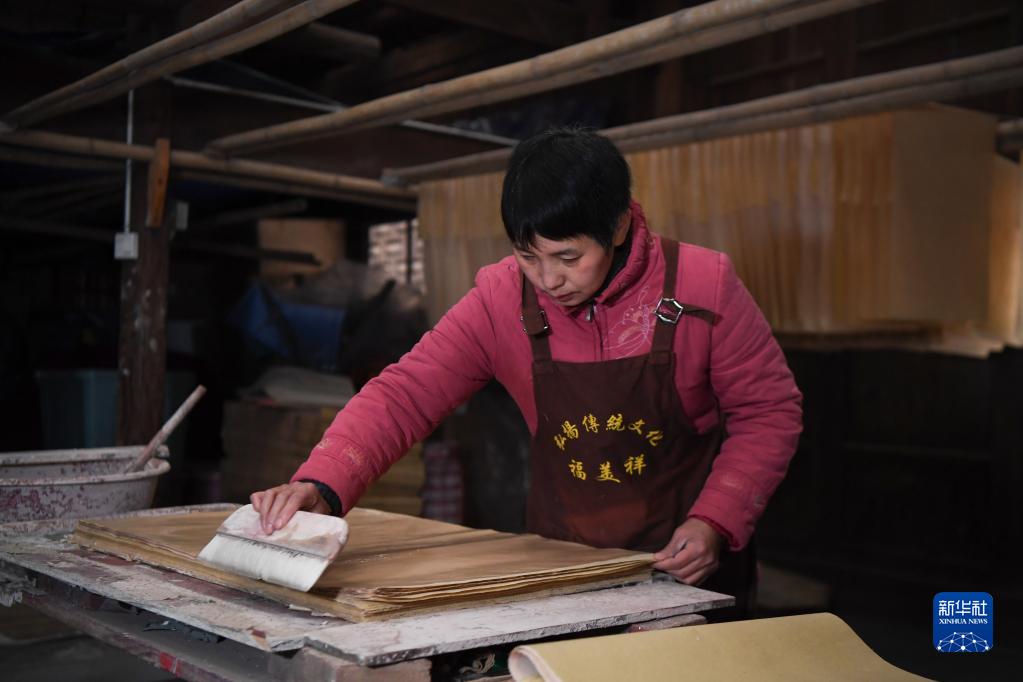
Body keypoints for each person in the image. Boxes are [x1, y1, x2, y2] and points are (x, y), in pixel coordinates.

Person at [251, 127, 802, 613]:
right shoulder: (501, 300)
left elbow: (769, 411)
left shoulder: (703, 285)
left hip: (689, 567)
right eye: (528, 256)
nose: (548, 280)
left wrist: (716, 519)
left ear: (617, 226)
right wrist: (323, 483)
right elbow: (407, 394)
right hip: (564, 566)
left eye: (568, 257)